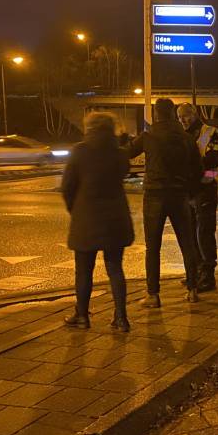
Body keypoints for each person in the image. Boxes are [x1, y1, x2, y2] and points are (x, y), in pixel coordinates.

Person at [61, 111, 134, 332]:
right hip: (116, 219)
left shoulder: (79, 152)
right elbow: (123, 173)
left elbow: (67, 187)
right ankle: (121, 318)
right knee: (115, 268)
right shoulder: (120, 154)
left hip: (87, 218)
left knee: (84, 270)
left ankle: (82, 315)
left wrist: (75, 210)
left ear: (89, 128)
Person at [127, 98, 203, 306]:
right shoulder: (186, 138)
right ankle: (193, 289)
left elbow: (128, 152)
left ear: (156, 114)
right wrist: (191, 192)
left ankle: (153, 294)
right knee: (186, 243)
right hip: (179, 195)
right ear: (172, 113)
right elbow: (198, 169)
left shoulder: (149, 136)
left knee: (153, 247)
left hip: (154, 194)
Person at [176, 102, 218, 292]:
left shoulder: (210, 132)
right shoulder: (181, 135)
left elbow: (213, 161)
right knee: (191, 234)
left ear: (194, 114)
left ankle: (208, 276)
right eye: (179, 118)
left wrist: (192, 167)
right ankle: (195, 273)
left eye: (186, 116)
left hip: (206, 187)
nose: (183, 120)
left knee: (204, 233)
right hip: (189, 190)